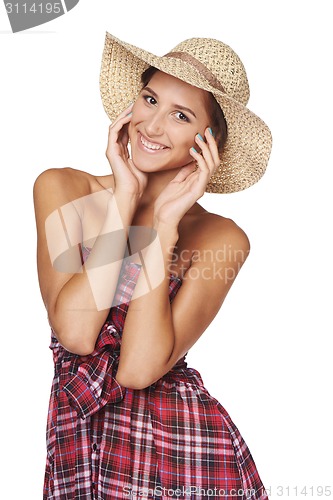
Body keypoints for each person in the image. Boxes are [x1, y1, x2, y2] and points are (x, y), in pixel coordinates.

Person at [34, 32, 272, 500]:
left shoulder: (222, 239)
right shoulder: (63, 189)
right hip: (79, 449)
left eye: (181, 116)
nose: (153, 126)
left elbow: (138, 369)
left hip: (184, 455)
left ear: (210, 142)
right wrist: (125, 196)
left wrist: (164, 227)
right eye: (150, 99)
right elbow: (78, 334)